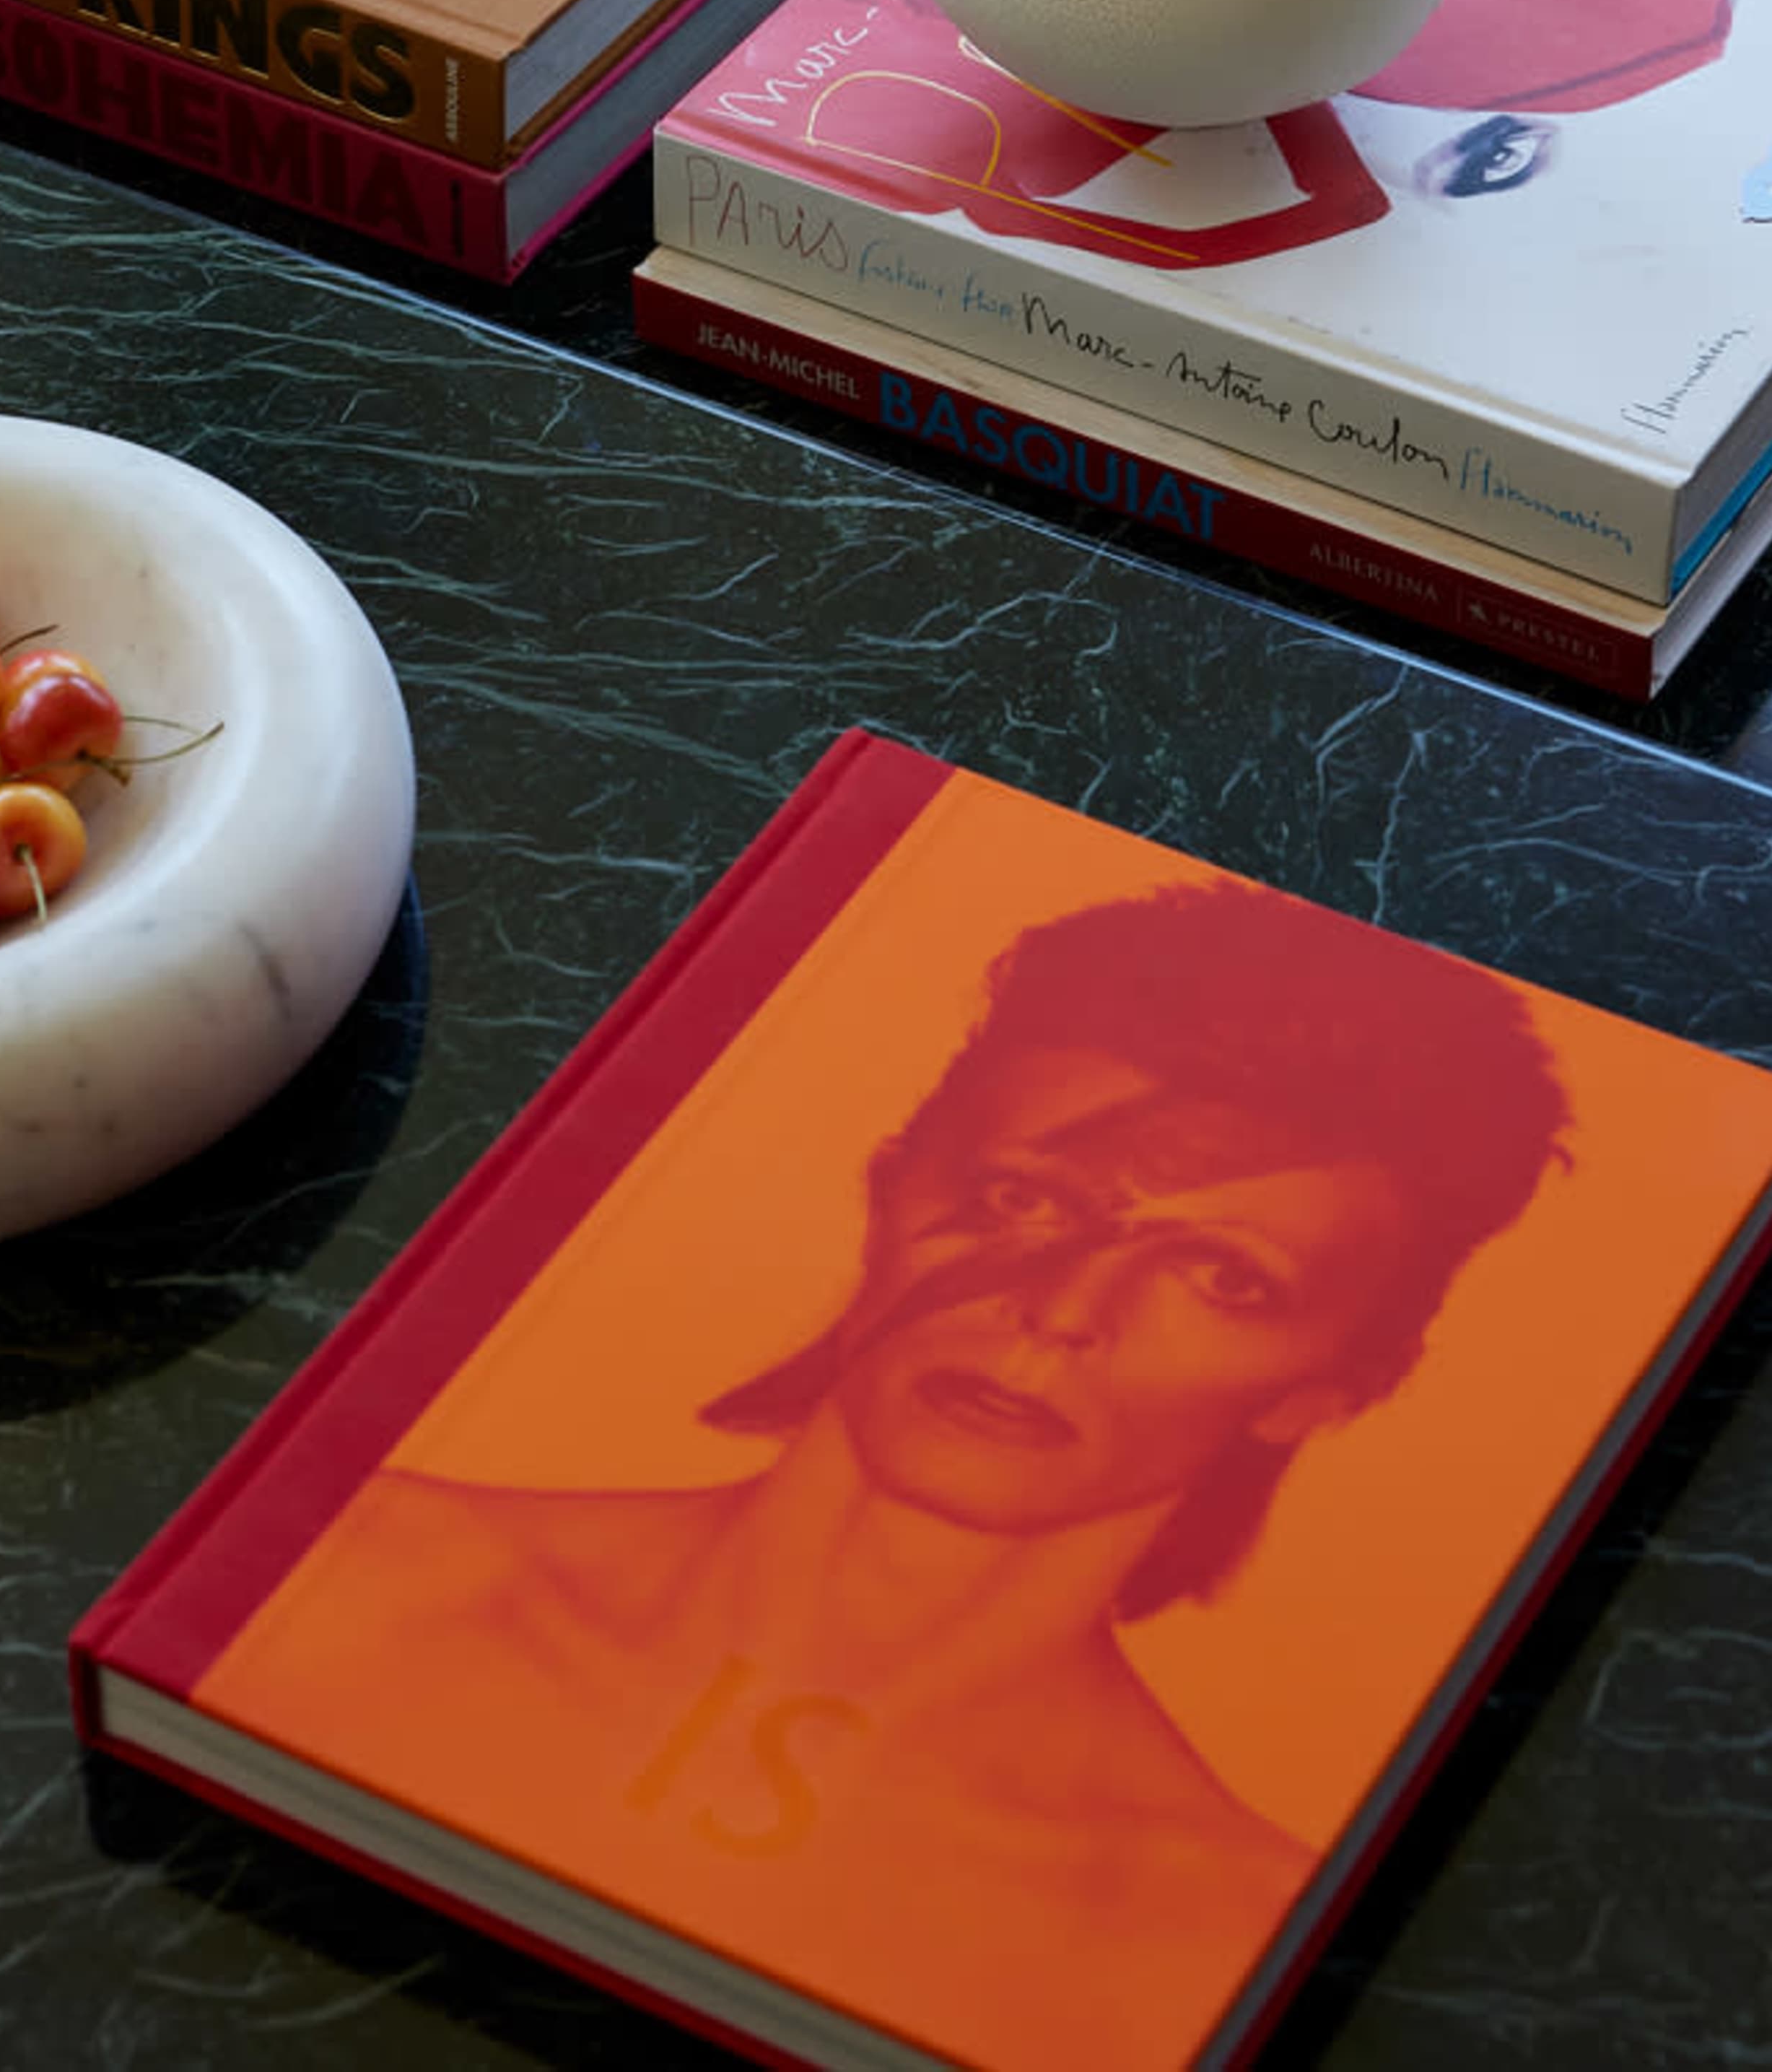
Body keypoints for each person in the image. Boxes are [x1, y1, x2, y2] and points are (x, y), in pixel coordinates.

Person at [210, 874, 1571, 2068]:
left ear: (1333, 1385)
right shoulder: (349, 1572)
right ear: (892, 1187)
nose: (1062, 1312)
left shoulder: (1206, 1931)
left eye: (1224, 1276)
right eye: (1023, 1202)